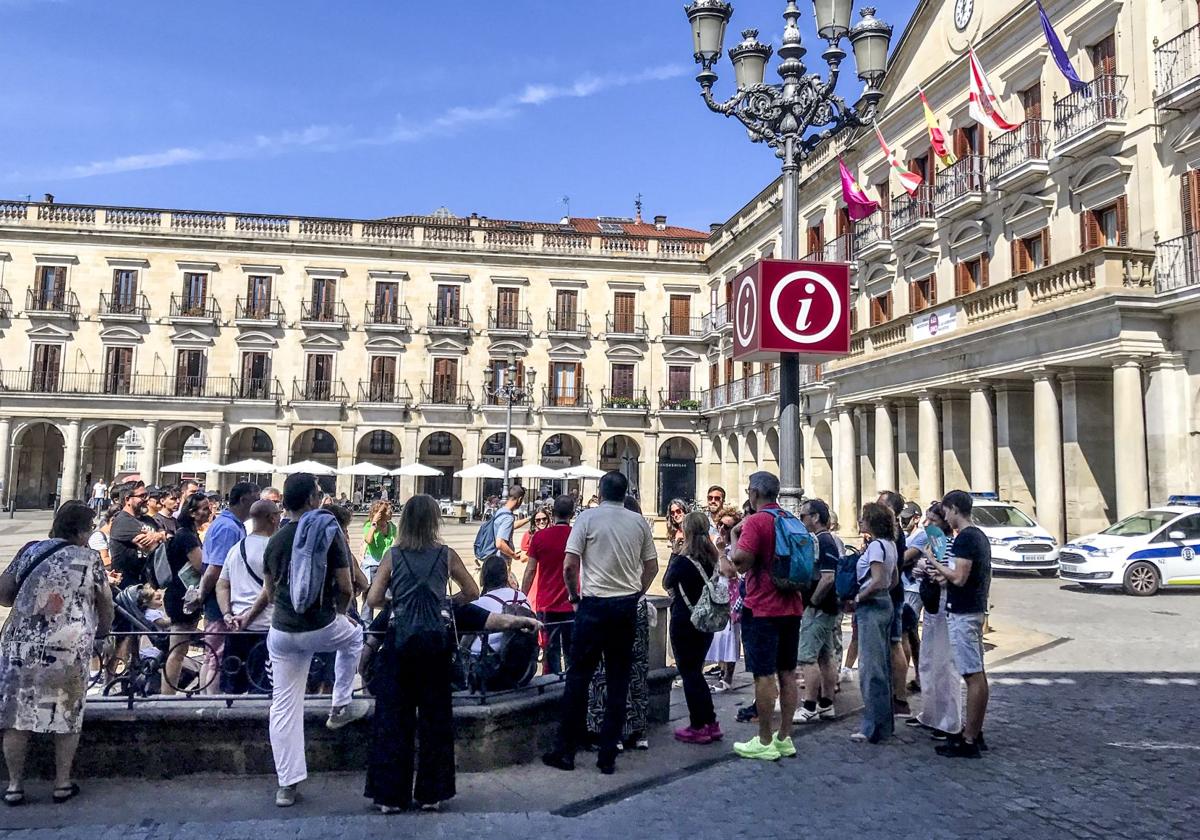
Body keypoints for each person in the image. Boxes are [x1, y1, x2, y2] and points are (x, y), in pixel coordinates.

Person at [364, 494, 538, 813]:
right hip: (435, 646)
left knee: (393, 719)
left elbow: (374, 598)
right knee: (435, 720)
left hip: (400, 646)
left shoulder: (393, 554)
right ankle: (432, 794)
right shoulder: (446, 555)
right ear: (434, 521)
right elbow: (473, 593)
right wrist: (441, 604)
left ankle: (390, 797)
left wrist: (401, 601)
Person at [542, 471, 658, 775]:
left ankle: (565, 751)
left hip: (592, 605)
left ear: (601, 491)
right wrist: (636, 594)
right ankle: (608, 756)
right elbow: (652, 566)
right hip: (624, 606)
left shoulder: (587, 519)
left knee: (578, 677)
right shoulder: (638, 522)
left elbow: (570, 565)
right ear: (625, 493)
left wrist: (574, 595)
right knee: (619, 679)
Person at [262, 473, 365, 807]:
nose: (322, 498)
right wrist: (340, 613)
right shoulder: (327, 530)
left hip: (281, 631)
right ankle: (340, 706)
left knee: (284, 705)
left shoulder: (275, 540)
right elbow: (347, 586)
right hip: (320, 624)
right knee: (354, 638)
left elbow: (269, 592)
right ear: (309, 500)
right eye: (319, 493)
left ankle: (286, 786)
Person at [1, 501, 113, 805]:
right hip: (68, 646)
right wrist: (103, 632)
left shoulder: (30, 550)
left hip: (20, 645)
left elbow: (3, 593)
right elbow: (106, 605)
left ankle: (14, 786)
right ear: (81, 531)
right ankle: (62, 784)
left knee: (16, 715)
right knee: (66, 712)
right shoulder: (89, 559)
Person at [727, 472, 803, 760]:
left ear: (755, 493)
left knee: (763, 674)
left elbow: (741, 563)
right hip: (792, 606)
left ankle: (764, 739)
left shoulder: (757, 521)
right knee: (787, 672)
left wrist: (735, 535)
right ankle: (786, 737)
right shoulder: (790, 518)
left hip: (762, 608)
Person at [926, 490, 992, 759]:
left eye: (946, 512)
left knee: (972, 674)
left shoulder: (966, 538)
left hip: (964, 613)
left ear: (954, 509)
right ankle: (973, 730)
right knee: (975, 671)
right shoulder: (978, 536)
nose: (946, 517)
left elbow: (959, 576)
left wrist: (933, 563)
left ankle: (969, 738)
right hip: (972, 610)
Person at [188, 482, 260, 695]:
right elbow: (216, 569)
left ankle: (207, 698)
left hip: (221, 597)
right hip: (220, 600)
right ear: (244, 500)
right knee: (216, 654)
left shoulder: (230, 524)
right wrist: (201, 596)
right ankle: (211, 703)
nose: (258, 502)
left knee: (214, 654)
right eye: (256, 497)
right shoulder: (228, 527)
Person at [665, 511, 721, 744]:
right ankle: (711, 721)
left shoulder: (682, 561)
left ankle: (698, 724)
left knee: (689, 674)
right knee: (696, 671)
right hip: (706, 621)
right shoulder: (712, 559)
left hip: (684, 621)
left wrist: (675, 552)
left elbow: (666, 581)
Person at [218, 499, 281, 694]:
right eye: (278, 515)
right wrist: (248, 618)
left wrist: (227, 614)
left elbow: (222, 584)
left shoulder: (236, 548)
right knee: (262, 690)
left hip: (236, 629)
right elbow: (268, 590)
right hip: (263, 628)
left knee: (232, 691)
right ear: (272, 518)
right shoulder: (273, 548)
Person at [850, 502, 899, 744]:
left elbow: (879, 579)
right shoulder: (889, 545)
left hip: (872, 606)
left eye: (863, 518)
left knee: (871, 670)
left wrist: (861, 596)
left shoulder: (877, 546)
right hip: (885, 603)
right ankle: (884, 722)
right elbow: (894, 579)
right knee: (882, 666)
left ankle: (872, 726)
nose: (860, 522)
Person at [911, 502, 961, 739]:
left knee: (944, 664)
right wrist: (923, 568)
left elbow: (951, 576)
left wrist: (933, 570)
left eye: (933, 520)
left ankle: (949, 721)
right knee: (928, 660)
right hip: (931, 606)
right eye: (927, 519)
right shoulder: (934, 543)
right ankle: (930, 714)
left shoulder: (949, 544)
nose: (928, 524)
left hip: (944, 605)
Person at [793, 498, 840, 724]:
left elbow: (828, 577)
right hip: (827, 606)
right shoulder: (824, 540)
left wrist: (811, 602)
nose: (801, 520)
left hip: (819, 607)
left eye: (803, 516)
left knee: (807, 657)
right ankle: (826, 703)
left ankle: (809, 705)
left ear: (815, 517)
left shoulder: (824, 541)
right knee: (825, 655)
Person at [161, 494, 212, 695]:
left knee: (179, 649)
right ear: (192, 513)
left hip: (182, 595)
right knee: (177, 650)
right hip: (182, 596)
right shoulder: (186, 536)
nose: (209, 512)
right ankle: (166, 696)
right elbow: (201, 566)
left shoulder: (186, 534)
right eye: (204, 508)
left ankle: (168, 693)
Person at [521, 494, 576, 675]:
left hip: (546, 603)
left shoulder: (539, 537)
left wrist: (522, 595)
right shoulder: (577, 535)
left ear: (552, 513)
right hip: (572, 603)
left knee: (551, 651)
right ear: (573, 513)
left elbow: (530, 571)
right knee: (571, 651)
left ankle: (553, 688)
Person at [877, 490, 911, 717]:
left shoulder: (893, 533)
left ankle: (899, 697)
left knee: (894, 642)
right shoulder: (892, 533)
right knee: (894, 642)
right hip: (892, 592)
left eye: (880, 504)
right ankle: (895, 693)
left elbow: (895, 569)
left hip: (891, 594)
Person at [706, 505, 742, 692]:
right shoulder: (719, 544)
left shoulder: (736, 548)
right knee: (717, 635)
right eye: (720, 524)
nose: (722, 529)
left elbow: (729, 571)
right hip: (718, 593)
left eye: (727, 527)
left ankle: (728, 677)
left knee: (729, 635)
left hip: (731, 595)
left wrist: (720, 552)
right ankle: (721, 672)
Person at [108, 483, 168, 588]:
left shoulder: (149, 519)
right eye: (142, 496)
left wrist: (159, 536)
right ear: (127, 499)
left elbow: (168, 536)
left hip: (149, 583)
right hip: (127, 585)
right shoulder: (122, 521)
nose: (147, 499)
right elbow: (149, 546)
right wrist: (160, 536)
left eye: (147, 495)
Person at [362, 501, 398, 619]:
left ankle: (388, 621)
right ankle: (366, 625)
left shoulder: (392, 526)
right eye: (387, 510)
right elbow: (368, 540)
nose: (390, 512)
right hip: (372, 565)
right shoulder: (369, 525)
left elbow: (396, 543)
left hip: (386, 566)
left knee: (390, 595)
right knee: (369, 598)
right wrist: (374, 523)